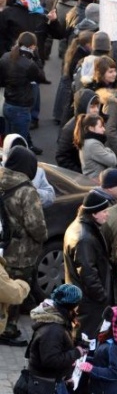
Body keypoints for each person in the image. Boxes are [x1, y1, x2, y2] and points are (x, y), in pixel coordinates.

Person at [0, 147, 47, 346]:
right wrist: (43, 236)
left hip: (2, 246)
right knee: (16, 290)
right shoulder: (26, 191)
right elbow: (35, 225)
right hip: (20, 253)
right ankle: (8, 329)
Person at [63, 191, 112, 337]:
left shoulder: (82, 227)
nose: (107, 214)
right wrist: (102, 296)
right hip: (88, 302)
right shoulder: (84, 238)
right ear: (94, 213)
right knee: (85, 341)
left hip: (84, 299)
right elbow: (87, 273)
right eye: (104, 211)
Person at [0, 32, 46, 154]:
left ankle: (27, 146)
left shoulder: (5, 57)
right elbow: (40, 76)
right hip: (21, 107)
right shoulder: (29, 64)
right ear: (32, 46)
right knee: (19, 145)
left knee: (9, 139)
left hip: (8, 103)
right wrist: (37, 58)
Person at [75, 114, 117, 180]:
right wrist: (107, 149)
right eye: (100, 127)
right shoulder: (93, 144)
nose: (104, 129)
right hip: (96, 181)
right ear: (91, 128)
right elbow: (113, 161)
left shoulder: (88, 141)